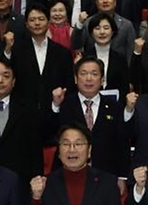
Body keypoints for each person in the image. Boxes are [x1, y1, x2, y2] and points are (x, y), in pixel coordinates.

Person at [0, 57, 47, 188]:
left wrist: (36, 182)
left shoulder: (28, 109)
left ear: (14, 81)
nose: (0, 80)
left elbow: (35, 149)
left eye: (6, 76)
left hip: (20, 182)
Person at [52, 56, 130, 187]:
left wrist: (122, 176)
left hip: (106, 175)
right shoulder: (64, 104)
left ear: (102, 80)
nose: (89, 78)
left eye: (94, 74)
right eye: (83, 74)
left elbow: (121, 143)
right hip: (69, 174)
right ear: (76, 79)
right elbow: (50, 133)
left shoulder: (115, 107)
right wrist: (55, 106)